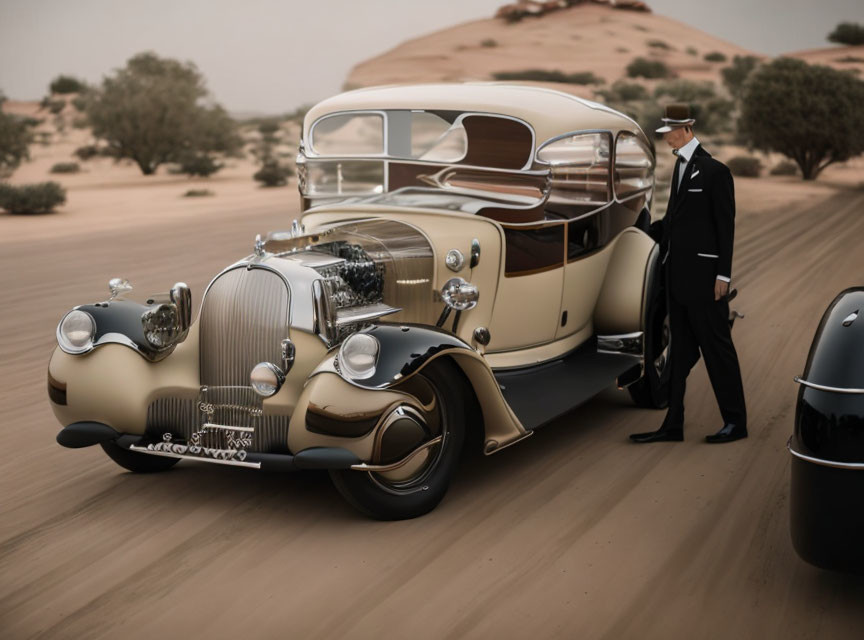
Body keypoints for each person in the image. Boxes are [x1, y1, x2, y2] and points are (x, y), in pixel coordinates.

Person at [630, 104, 747, 444]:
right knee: (679, 355)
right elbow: (674, 222)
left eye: (669, 131)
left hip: (706, 282)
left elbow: (725, 228)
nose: (666, 136)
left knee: (717, 351)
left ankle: (736, 423)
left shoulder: (715, 172)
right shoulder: (680, 168)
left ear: (686, 129)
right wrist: (641, 231)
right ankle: (673, 425)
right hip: (678, 281)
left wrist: (722, 276)